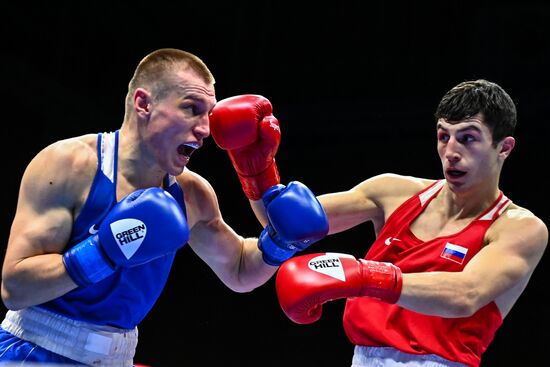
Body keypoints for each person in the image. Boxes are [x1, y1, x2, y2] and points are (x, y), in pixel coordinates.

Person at [0, 48, 329, 366]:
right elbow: (15, 288)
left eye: (208, 115)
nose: (204, 131)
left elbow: (240, 270)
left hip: (115, 357)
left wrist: (280, 242)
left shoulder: (192, 194)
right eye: (191, 109)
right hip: (35, 348)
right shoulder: (69, 165)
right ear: (144, 103)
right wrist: (103, 252)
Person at [270, 79, 548, 367]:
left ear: (504, 148)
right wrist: (257, 168)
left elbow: (466, 294)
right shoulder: (392, 193)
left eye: (467, 138)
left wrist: (365, 277)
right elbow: (288, 223)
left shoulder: (519, 228)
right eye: (443, 137)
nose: (451, 151)